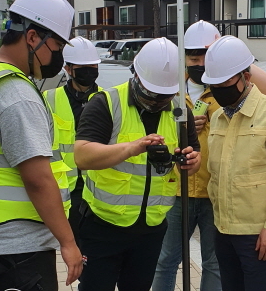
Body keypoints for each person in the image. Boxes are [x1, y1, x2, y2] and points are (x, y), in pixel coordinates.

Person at [0, 0, 83, 291]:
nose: (59, 55)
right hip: (9, 245)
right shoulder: (16, 93)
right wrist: (68, 243)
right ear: (32, 37)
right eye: (57, 44)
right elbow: (38, 179)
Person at [152, 21, 266, 291]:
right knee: (166, 259)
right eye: (193, 57)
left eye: (206, 56)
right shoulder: (173, 91)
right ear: (183, 57)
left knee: (214, 263)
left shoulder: (225, 88)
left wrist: (224, 48)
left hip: (214, 193)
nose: (199, 63)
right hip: (177, 190)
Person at [74, 37, 202, 291]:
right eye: (153, 94)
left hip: (151, 230)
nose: (158, 101)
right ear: (136, 75)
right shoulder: (105, 103)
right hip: (103, 226)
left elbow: (193, 154)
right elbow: (83, 155)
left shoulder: (179, 111)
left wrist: (192, 161)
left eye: (166, 95)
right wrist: (132, 148)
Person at [202, 35, 266, 291]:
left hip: (258, 235)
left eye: (224, 82)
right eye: (214, 84)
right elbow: (216, 174)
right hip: (223, 230)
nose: (218, 89)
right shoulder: (219, 118)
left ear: (246, 76)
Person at [43, 36, 102, 239]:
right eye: (82, 67)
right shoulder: (49, 99)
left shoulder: (108, 100)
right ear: (68, 69)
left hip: (98, 189)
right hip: (64, 191)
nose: (89, 71)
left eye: (93, 66)